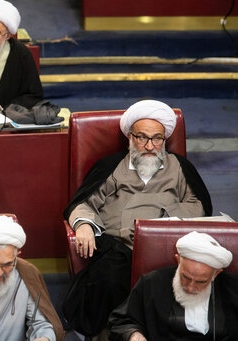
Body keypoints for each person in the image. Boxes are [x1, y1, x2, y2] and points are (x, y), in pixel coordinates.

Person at [62, 99, 213, 339]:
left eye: (157, 139)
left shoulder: (179, 168)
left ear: (164, 140)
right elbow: (84, 203)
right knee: (108, 278)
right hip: (118, 245)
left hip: (167, 247)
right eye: (142, 137)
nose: (149, 146)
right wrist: (83, 226)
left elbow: (200, 207)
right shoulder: (111, 167)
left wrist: (162, 215)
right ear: (130, 138)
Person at [108, 231, 238, 340]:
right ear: (178, 261)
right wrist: (134, 335)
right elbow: (121, 322)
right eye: (185, 277)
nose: (190, 287)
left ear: (216, 274)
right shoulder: (153, 283)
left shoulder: (233, 288)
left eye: (201, 282)